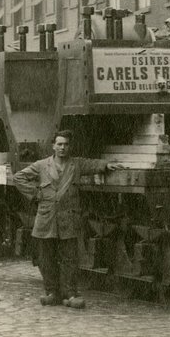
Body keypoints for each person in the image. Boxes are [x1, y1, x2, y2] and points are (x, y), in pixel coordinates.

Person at [12, 130, 121, 308]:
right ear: (53, 146)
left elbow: (92, 164)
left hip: (68, 219)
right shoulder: (41, 165)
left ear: (69, 147)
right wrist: (36, 194)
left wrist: (106, 165)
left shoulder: (76, 165)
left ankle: (70, 294)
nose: (62, 148)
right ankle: (52, 292)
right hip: (47, 218)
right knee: (46, 258)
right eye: (59, 144)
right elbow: (19, 177)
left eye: (66, 144)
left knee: (70, 258)